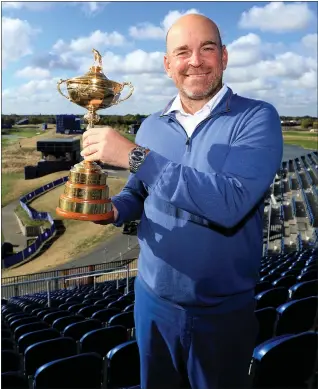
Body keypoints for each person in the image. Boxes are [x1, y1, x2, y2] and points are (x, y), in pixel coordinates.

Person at [81, 14, 283, 389]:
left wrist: (135, 156)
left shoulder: (257, 118)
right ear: (167, 64)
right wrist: (112, 210)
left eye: (207, 49)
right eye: (183, 52)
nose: (195, 61)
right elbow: (137, 192)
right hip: (152, 302)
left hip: (222, 312)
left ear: (223, 57)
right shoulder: (152, 125)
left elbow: (230, 202)